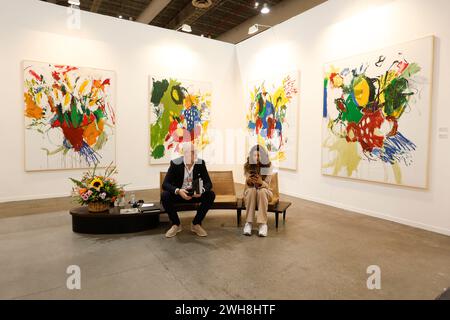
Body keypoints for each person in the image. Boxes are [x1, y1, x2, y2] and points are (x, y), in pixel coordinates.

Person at [161, 143, 215, 238]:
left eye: (196, 152)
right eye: (193, 152)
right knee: (165, 195)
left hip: (195, 194)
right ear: (185, 154)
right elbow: (165, 184)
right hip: (180, 194)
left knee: (210, 195)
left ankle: (196, 224)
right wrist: (178, 191)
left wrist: (201, 190)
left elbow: (209, 184)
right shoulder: (175, 164)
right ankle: (176, 224)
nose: (196, 154)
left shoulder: (200, 163)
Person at [243, 144, 273, 237]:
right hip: (251, 190)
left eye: (259, 155)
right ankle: (248, 223)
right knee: (252, 191)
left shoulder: (267, 166)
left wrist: (261, 183)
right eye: (254, 155)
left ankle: (263, 224)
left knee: (262, 191)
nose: (256, 158)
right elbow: (247, 184)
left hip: (265, 192)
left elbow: (267, 186)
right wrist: (249, 181)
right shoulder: (248, 166)